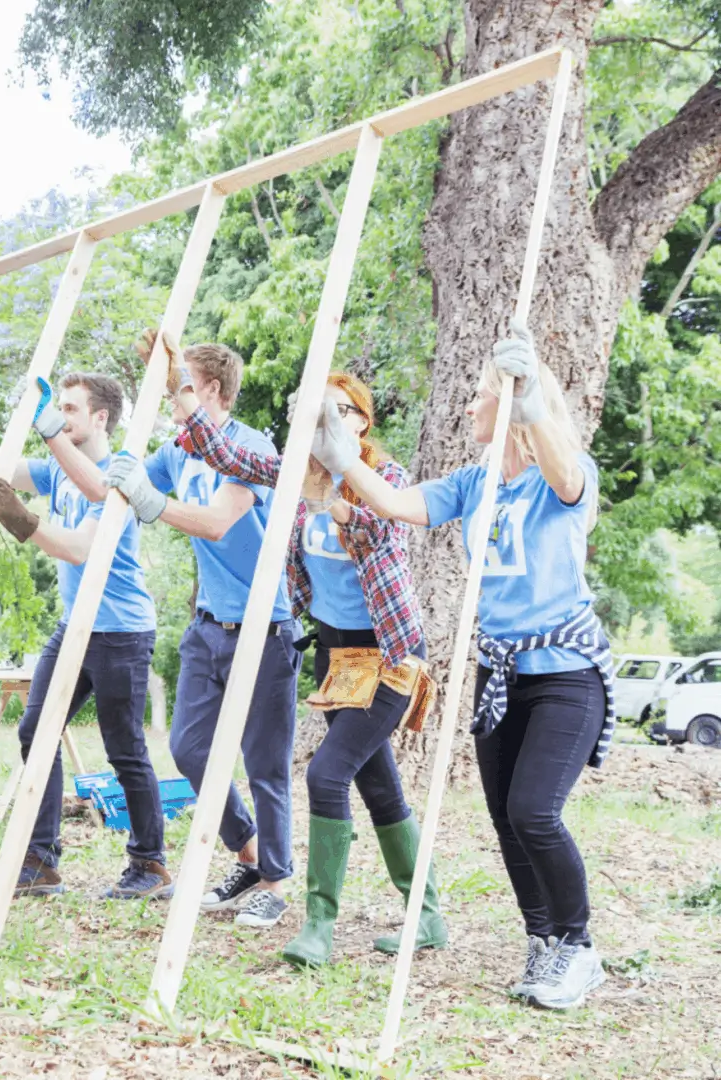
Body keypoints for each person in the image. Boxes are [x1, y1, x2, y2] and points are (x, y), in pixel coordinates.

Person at [317, 319, 613, 1009]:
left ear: (508, 407)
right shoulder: (472, 483)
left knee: (534, 810)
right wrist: (343, 458)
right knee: (506, 820)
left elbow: (566, 472)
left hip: (564, 673)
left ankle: (578, 947)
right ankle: (541, 944)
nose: (467, 406)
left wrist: (535, 401)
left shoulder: (558, 479)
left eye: (480, 396)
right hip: (499, 674)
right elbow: (394, 505)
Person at [176, 365, 446, 965]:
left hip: (389, 657)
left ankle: (318, 925)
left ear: (362, 421)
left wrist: (338, 503)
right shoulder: (299, 477)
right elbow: (229, 456)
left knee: (326, 775)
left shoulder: (385, 479)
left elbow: (384, 529)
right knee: (379, 785)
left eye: (341, 411)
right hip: (336, 657)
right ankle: (426, 915)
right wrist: (181, 390)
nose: (329, 421)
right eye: (319, 412)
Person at [0, 352, 170, 899]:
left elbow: (78, 549)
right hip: (74, 626)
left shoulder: (117, 474)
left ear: (100, 418)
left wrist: (23, 520)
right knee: (35, 732)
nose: (59, 414)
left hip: (120, 632)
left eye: (69, 407)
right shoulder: (57, 472)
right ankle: (41, 861)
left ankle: (150, 865)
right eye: (57, 406)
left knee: (124, 749)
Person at [105, 332, 301, 930]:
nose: (172, 393)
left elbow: (217, 523)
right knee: (189, 748)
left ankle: (274, 879)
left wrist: (152, 504)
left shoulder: (249, 447)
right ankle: (247, 853)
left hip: (265, 628)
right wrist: (69, 447)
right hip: (209, 626)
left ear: (210, 388)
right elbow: (124, 486)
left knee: (264, 763)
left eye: (182, 380)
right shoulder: (180, 450)